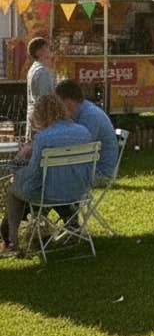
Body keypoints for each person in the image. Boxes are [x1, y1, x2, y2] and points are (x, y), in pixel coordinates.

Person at [1, 94, 95, 257]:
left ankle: (12, 242)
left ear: (39, 115)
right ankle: (71, 224)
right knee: (54, 182)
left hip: (49, 194)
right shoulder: (83, 132)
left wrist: (19, 162)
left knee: (13, 188)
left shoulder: (44, 138)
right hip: (78, 192)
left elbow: (33, 175)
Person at [53, 80, 118, 184]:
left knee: (50, 176)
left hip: (100, 174)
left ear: (68, 102)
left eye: (58, 103)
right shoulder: (82, 111)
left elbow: (80, 149)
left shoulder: (90, 116)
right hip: (90, 168)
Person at [24, 37, 54, 138]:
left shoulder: (33, 68)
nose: (50, 51)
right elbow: (44, 99)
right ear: (40, 52)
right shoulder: (42, 71)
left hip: (35, 118)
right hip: (42, 120)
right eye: (48, 48)